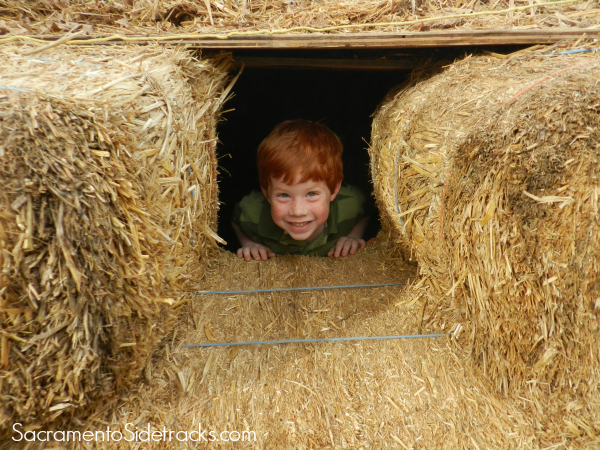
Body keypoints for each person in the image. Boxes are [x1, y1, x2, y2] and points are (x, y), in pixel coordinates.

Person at [232, 120, 372, 261]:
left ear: (334, 189)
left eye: (311, 194)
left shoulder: (350, 203)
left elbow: (367, 209)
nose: (298, 212)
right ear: (266, 193)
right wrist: (250, 244)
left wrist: (353, 236)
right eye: (284, 195)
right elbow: (236, 219)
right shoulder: (252, 211)